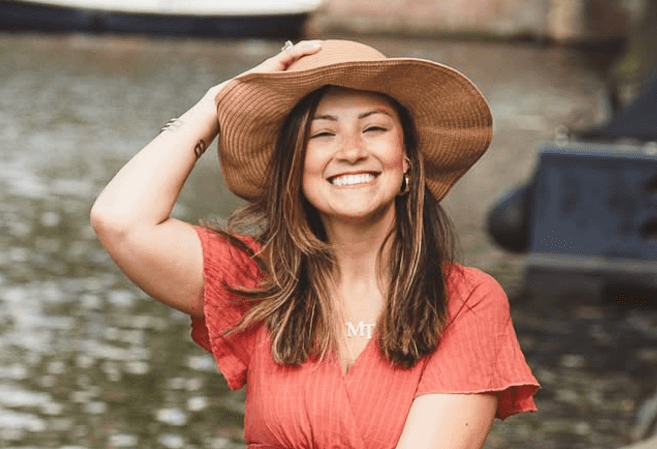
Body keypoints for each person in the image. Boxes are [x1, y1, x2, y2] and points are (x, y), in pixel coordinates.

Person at [90, 39, 539, 448]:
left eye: (374, 129)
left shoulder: (468, 302)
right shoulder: (256, 284)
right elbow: (121, 220)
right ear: (294, 168)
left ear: (407, 161)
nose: (350, 151)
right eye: (322, 134)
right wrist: (219, 100)